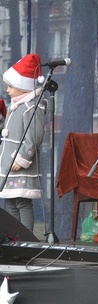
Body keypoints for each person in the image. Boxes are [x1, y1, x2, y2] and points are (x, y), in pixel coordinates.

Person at [0, 54, 46, 232]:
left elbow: (34, 136)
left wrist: (21, 159)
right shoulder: (16, 106)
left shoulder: (32, 107)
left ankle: (26, 240)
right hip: (8, 165)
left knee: (22, 203)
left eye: (11, 86)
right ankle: (13, 238)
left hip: (19, 164)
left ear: (23, 86)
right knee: (10, 203)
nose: (8, 90)